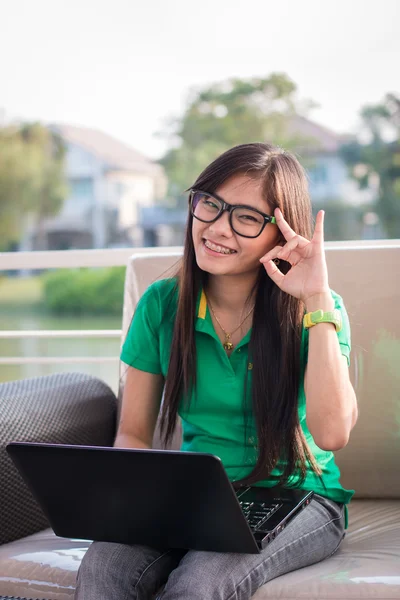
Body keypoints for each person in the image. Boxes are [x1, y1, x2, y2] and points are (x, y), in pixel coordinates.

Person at [75, 142, 358, 600]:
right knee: (103, 564)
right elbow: (131, 435)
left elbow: (332, 434)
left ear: (281, 234)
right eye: (210, 203)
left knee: (200, 583)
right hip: (198, 498)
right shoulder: (162, 305)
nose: (217, 228)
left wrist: (317, 299)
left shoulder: (319, 310)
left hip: (300, 496)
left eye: (246, 217)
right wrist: (129, 505)